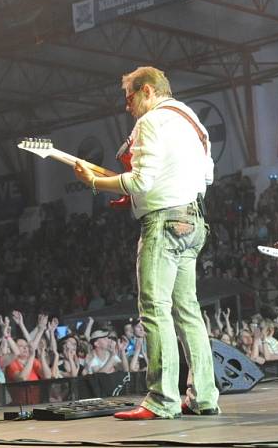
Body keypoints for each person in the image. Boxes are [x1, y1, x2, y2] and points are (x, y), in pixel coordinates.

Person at [73, 66, 219, 419]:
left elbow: (140, 182)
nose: (127, 107)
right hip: (194, 220)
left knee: (155, 310)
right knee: (188, 311)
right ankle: (204, 397)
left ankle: (162, 400)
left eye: (130, 97)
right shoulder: (193, 122)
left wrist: (95, 182)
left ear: (148, 90)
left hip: (164, 222)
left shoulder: (151, 122)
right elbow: (207, 175)